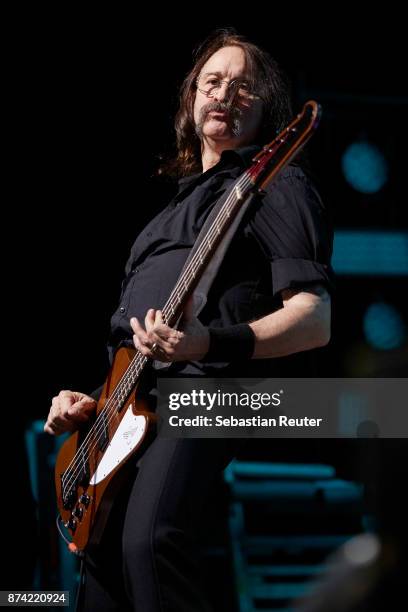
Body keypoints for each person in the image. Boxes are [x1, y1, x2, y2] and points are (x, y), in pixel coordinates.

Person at [44, 28, 334, 611]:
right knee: (101, 563)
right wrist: (90, 402)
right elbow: (131, 350)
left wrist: (207, 341)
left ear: (267, 110)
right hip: (126, 409)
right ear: (191, 100)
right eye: (213, 81)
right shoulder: (162, 219)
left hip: (212, 390)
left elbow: (314, 318)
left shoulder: (272, 184)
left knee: (150, 541)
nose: (226, 93)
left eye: (244, 87)